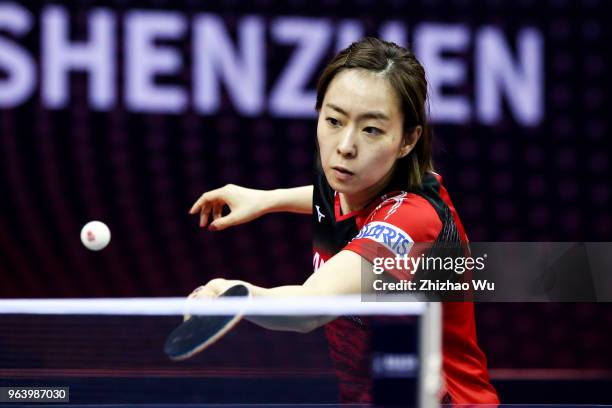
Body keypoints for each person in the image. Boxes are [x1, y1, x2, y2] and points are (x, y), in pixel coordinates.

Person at [188, 37, 499, 405]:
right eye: (334, 120)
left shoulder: (413, 222)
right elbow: (336, 201)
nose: (345, 145)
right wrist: (267, 200)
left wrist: (234, 295)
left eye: (372, 129)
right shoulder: (352, 180)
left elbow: (311, 307)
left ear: (408, 140)